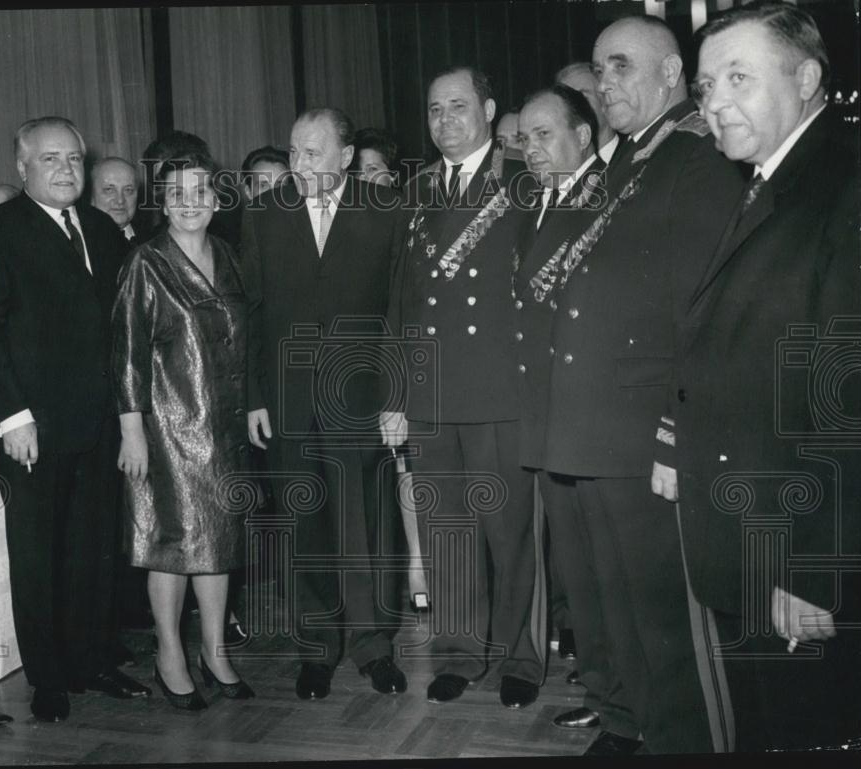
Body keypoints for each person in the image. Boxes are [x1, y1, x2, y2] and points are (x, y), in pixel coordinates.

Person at [530, 17, 745, 755]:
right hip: (594, 426)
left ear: (671, 73)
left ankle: (682, 742)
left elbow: (702, 310)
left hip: (643, 427)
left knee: (666, 621)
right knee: (616, 607)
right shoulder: (633, 162)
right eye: (599, 68)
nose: (606, 82)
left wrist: (672, 431)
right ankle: (631, 727)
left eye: (622, 66)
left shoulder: (697, 159)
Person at [655, 2, 860, 751]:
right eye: (707, 86)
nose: (715, 103)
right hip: (748, 538)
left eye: (738, 77)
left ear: (807, 78)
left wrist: (813, 569)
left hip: (795, 556)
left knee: (808, 736)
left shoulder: (842, 186)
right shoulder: (764, 178)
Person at [0, 116, 149, 723]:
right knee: (38, 552)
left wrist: (129, 417)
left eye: (74, 159)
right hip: (31, 427)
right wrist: (12, 418)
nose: (67, 170)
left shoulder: (102, 229)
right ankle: (48, 677)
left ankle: (92, 658)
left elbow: (121, 332)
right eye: (50, 160)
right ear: (21, 168)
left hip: (98, 421)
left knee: (93, 548)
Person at [384, 66, 544, 709]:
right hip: (430, 394)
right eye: (433, 109)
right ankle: (456, 650)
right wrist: (395, 394)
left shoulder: (524, 184)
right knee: (446, 529)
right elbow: (400, 299)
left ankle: (519, 659)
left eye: (458, 106)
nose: (444, 119)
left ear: (488, 108)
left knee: (510, 532)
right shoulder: (418, 189)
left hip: (501, 392)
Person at [243, 107, 407, 701]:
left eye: (313, 153)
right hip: (286, 401)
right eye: (293, 152)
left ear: (344, 155)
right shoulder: (263, 213)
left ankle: (373, 646)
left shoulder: (387, 209)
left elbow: (398, 309)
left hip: (361, 396)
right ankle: (317, 648)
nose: (299, 164)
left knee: (368, 524)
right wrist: (254, 397)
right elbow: (252, 313)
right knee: (302, 522)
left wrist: (396, 396)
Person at [113, 148, 254, 710]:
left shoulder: (229, 255)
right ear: (162, 204)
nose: (190, 203)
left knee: (218, 543)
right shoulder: (145, 262)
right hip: (167, 428)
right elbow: (126, 354)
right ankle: (169, 652)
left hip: (224, 427)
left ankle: (216, 652)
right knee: (169, 546)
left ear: (216, 200)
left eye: (200, 192)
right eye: (176, 194)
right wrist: (132, 432)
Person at [514, 83, 617, 734]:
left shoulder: (611, 199)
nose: (530, 149)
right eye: (524, 138)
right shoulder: (540, 204)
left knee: (612, 574)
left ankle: (632, 710)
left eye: (544, 134)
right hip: (551, 423)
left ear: (585, 135)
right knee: (581, 573)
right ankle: (611, 695)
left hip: (601, 426)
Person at [554, 62, 620, 164]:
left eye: (581, 98)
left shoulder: (637, 159)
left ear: (606, 101)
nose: (571, 108)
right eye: (564, 102)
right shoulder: (558, 170)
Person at [91, 157, 142, 243]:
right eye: (109, 190)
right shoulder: (80, 244)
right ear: (91, 195)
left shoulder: (153, 241)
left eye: (128, 190)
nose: (120, 200)